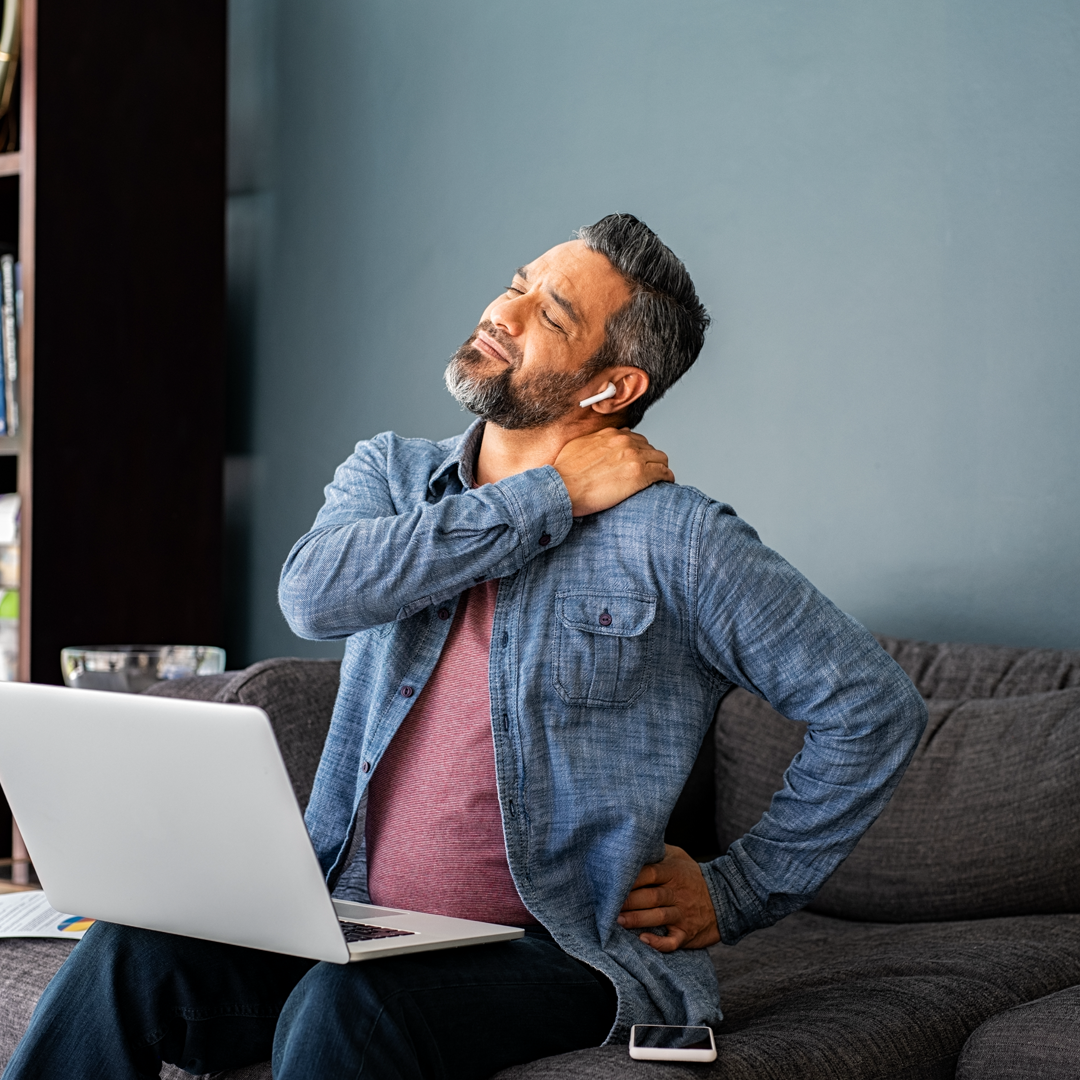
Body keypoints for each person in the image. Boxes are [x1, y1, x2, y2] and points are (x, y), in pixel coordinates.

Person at [4, 214, 926, 1079]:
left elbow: (872, 709)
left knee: (347, 1003)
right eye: (517, 284)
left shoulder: (677, 540)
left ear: (612, 387)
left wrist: (740, 889)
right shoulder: (392, 475)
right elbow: (313, 596)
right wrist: (545, 500)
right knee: (128, 949)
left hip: (557, 952)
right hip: (350, 919)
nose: (503, 311)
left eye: (549, 313)